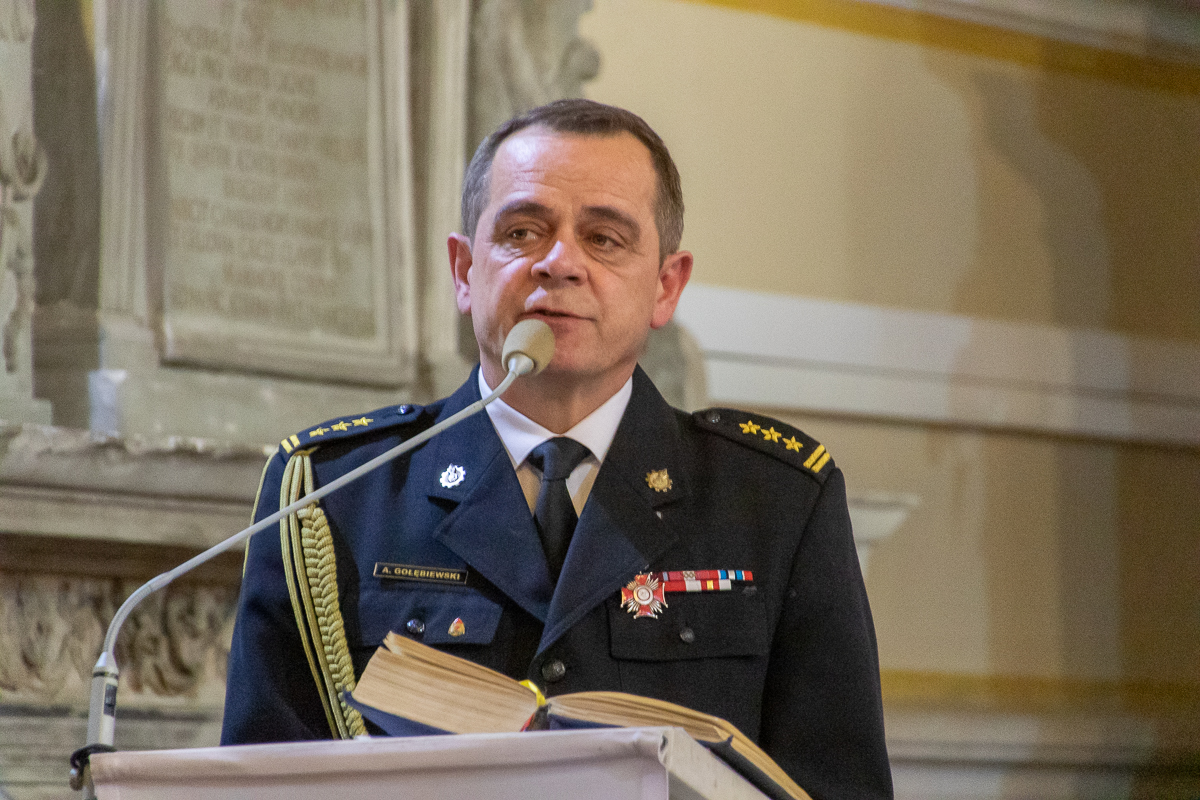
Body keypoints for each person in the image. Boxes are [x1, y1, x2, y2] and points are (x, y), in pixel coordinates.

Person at [222, 99, 893, 800]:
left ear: (666, 286)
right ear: (464, 270)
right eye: (522, 232)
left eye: (605, 238)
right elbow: (262, 783)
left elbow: (839, 784)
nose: (560, 263)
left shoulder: (777, 502)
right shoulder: (334, 494)